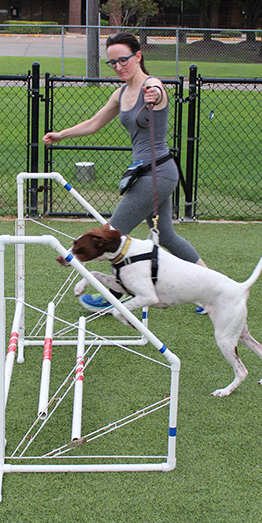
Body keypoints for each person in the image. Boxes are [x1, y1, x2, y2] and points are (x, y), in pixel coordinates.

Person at [42, 32, 208, 313]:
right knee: (167, 236)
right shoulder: (120, 93)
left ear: (138, 56)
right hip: (151, 174)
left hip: (155, 174)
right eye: (112, 63)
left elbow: (158, 89)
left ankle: (110, 295)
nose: (118, 66)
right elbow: (94, 123)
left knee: (111, 235)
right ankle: (210, 289)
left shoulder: (151, 86)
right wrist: (61, 135)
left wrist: (155, 94)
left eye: (123, 60)